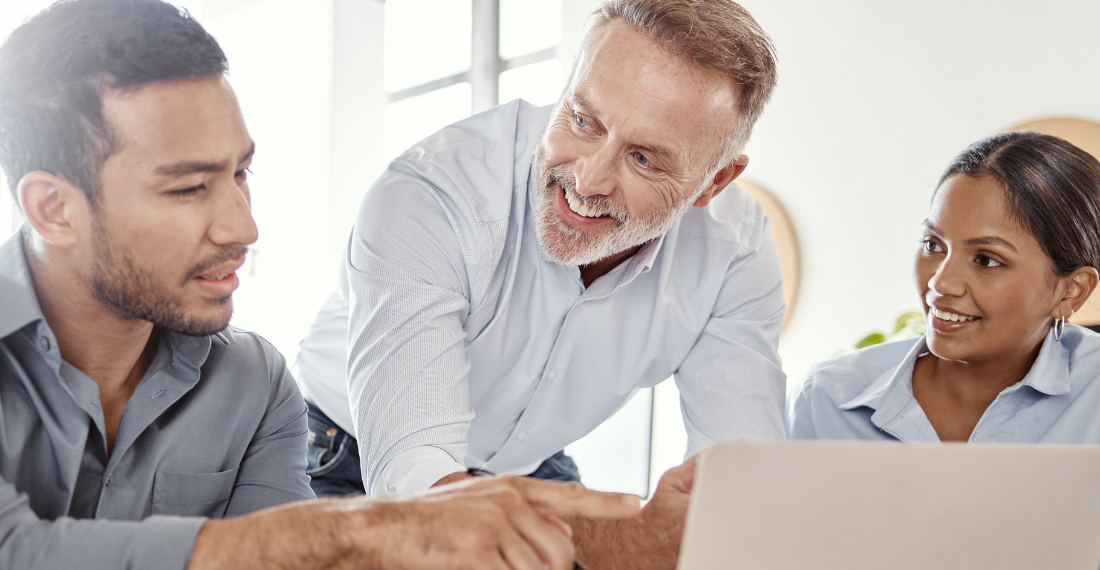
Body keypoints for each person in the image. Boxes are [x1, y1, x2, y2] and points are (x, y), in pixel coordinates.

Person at [0, 2, 640, 569]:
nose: (241, 227)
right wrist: (372, 526)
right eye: (189, 187)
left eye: (242, 175)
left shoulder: (254, 382)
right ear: (53, 207)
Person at [294, 0, 783, 567]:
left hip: (523, 464)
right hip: (343, 451)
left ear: (714, 181)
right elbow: (419, 493)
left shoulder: (735, 253)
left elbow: (745, 487)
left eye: (645, 159)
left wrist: (699, 531)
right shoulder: (430, 195)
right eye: (583, 120)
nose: (588, 179)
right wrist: (626, 542)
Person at [788, 131, 1100, 569]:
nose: (940, 283)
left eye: (987, 259)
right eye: (933, 245)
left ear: (1071, 291)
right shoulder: (827, 398)